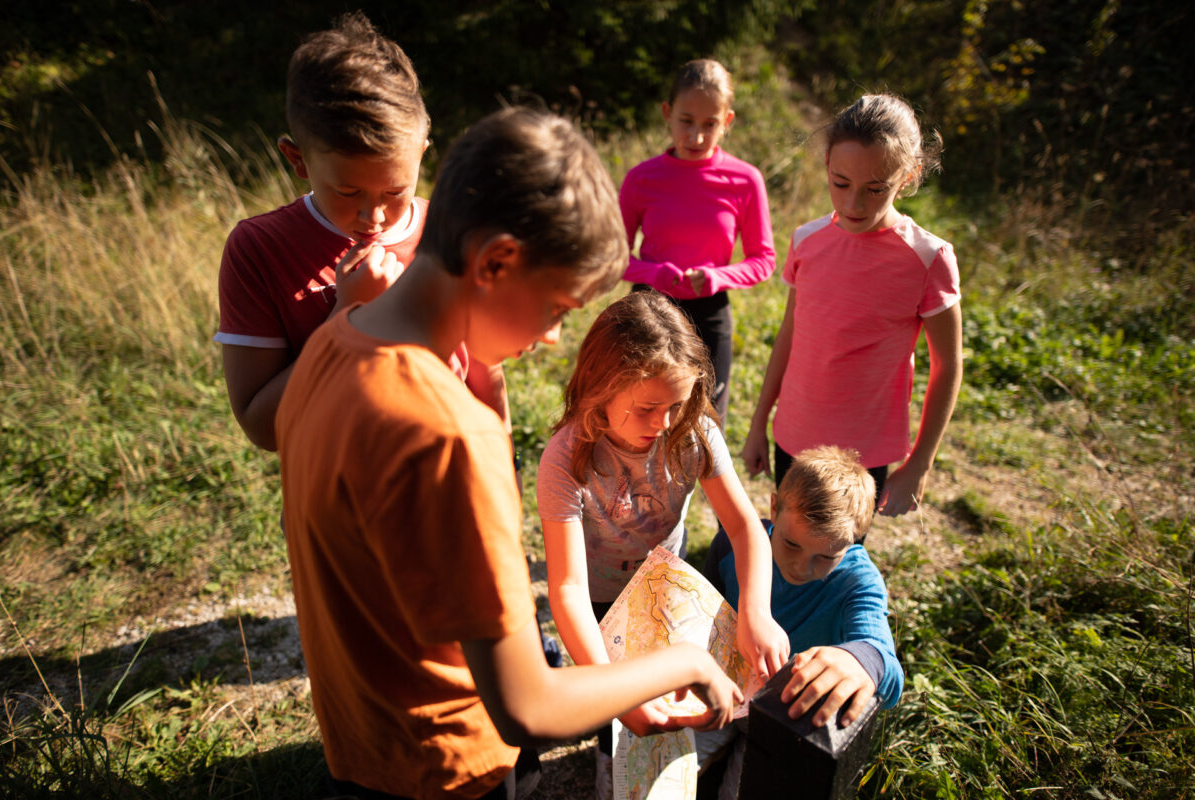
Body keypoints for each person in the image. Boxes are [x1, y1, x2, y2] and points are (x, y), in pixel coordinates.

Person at [276, 107, 743, 800]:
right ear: (495, 261)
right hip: (448, 768)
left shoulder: (331, 342)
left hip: (361, 743)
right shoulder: (450, 437)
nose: (556, 335)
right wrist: (676, 663)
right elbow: (526, 706)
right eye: (557, 306)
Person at [214, 11, 509, 453]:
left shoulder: (448, 228)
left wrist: (505, 459)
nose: (372, 216)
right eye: (347, 191)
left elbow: (483, 370)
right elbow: (262, 427)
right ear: (297, 160)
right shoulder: (259, 249)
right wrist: (349, 317)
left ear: (422, 154)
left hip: (450, 487)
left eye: (395, 191)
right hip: (336, 506)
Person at [537, 290, 789, 799]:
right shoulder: (564, 462)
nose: (664, 423)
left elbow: (743, 528)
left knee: (668, 700)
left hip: (665, 590)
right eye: (647, 408)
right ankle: (610, 748)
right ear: (598, 389)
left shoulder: (694, 434)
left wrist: (755, 612)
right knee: (620, 718)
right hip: (598, 601)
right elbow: (565, 588)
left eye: (676, 404)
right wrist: (612, 693)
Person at [741, 93, 963, 517]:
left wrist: (920, 464)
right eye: (841, 183)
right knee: (788, 536)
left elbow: (948, 366)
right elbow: (790, 335)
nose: (853, 204)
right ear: (827, 164)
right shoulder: (807, 240)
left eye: (875, 188)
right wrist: (758, 424)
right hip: (793, 433)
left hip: (861, 454)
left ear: (909, 175)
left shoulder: (928, 259)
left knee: (831, 556)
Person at [698, 445, 904, 799]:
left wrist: (860, 660)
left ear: (855, 537)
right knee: (665, 760)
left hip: (785, 719)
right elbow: (701, 610)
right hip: (722, 689)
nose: (802, 567)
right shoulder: (735, 544)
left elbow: (888, 668)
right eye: (791, 544)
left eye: (825, 556)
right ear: (774, 506)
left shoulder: (858, 582)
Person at [619, 59, 776, 422]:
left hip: (710, 314)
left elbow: (763, 259)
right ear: (667, 112)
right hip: (649, 311)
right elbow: (613, 257)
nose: (696, 137)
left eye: (710, 125)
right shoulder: (642, 178)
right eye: (686, 121)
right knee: (640, 419)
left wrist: (717, 277)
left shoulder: (745, 180)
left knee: (703, 427)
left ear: (728, 121)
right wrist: (654, 274)